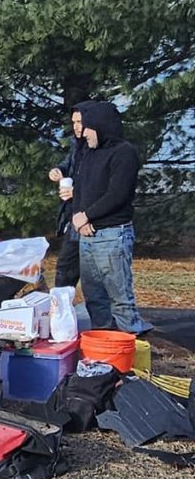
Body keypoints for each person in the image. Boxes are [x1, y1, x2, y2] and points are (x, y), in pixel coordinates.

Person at [71, 101, 153, 334]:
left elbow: (117, 194)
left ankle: (131, 338)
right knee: (93, 295)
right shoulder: (88, 152)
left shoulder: (123, 153)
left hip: (112, 234)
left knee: (119, 295)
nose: (83, 133)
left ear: (100, 126)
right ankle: (104, 337)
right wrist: (79, 218)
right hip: (87, 234)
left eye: (87, 127)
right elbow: (80, 189)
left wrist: (87, 215)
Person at [48, 101, 91, 288]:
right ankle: (61, 303)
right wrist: (58, 170)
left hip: (92, 215)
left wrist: (77, 191)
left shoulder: (100, 149)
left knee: (93, 277)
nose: (76, 127)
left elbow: (101, 184)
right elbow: (69, 164)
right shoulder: (77, 144)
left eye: (80, 122)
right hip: (74, 214)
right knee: (65, 269)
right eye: (73, 122)